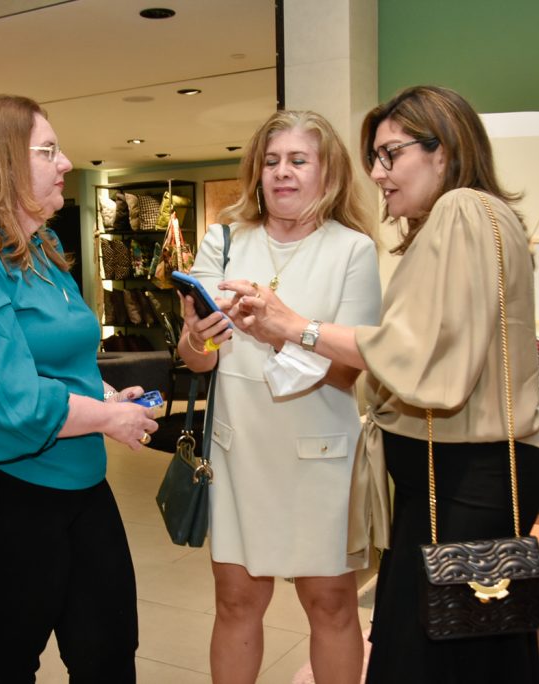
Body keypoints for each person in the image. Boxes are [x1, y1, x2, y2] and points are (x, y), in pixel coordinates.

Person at [222, 86, 539, 683]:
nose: (379, 173)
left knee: (433, 654)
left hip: (460, 475)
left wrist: (296, 327)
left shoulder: (460, 211)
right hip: (464, 471)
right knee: (476, 646)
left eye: (390, 154)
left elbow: (418, 358)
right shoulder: (483, 215)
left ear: (442, 150)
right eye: (375, 157)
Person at [0, 94, 158, 682]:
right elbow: (5, 403)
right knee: (5, 666)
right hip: (2, 496)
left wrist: (102, 398)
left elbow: (62, 356)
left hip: (82, 485)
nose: (66, 162)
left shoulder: (39, 246)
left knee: (109, 654)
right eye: (48, 151)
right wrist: (105, 418)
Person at [177, 110, 381, 683]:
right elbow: (197, 362)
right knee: (236, 603)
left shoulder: (353, 251)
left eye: (298, 161)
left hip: (319, 456)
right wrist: (197, 337)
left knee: (332, 606)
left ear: (328, 173)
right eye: (271, 161)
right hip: (239, 452)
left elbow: (352, 369)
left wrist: (280, 330)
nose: (282, 173)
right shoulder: (222, 241)